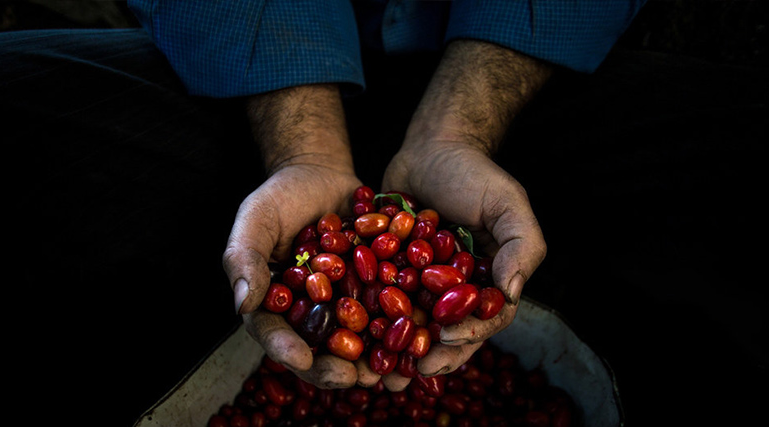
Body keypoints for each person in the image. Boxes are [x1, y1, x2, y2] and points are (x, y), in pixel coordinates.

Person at [126, 0, 647, 391]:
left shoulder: (371, 266)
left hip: (490, 79)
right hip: (276, 82)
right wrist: (303, 152)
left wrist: (457, 132)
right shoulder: (359, 265)